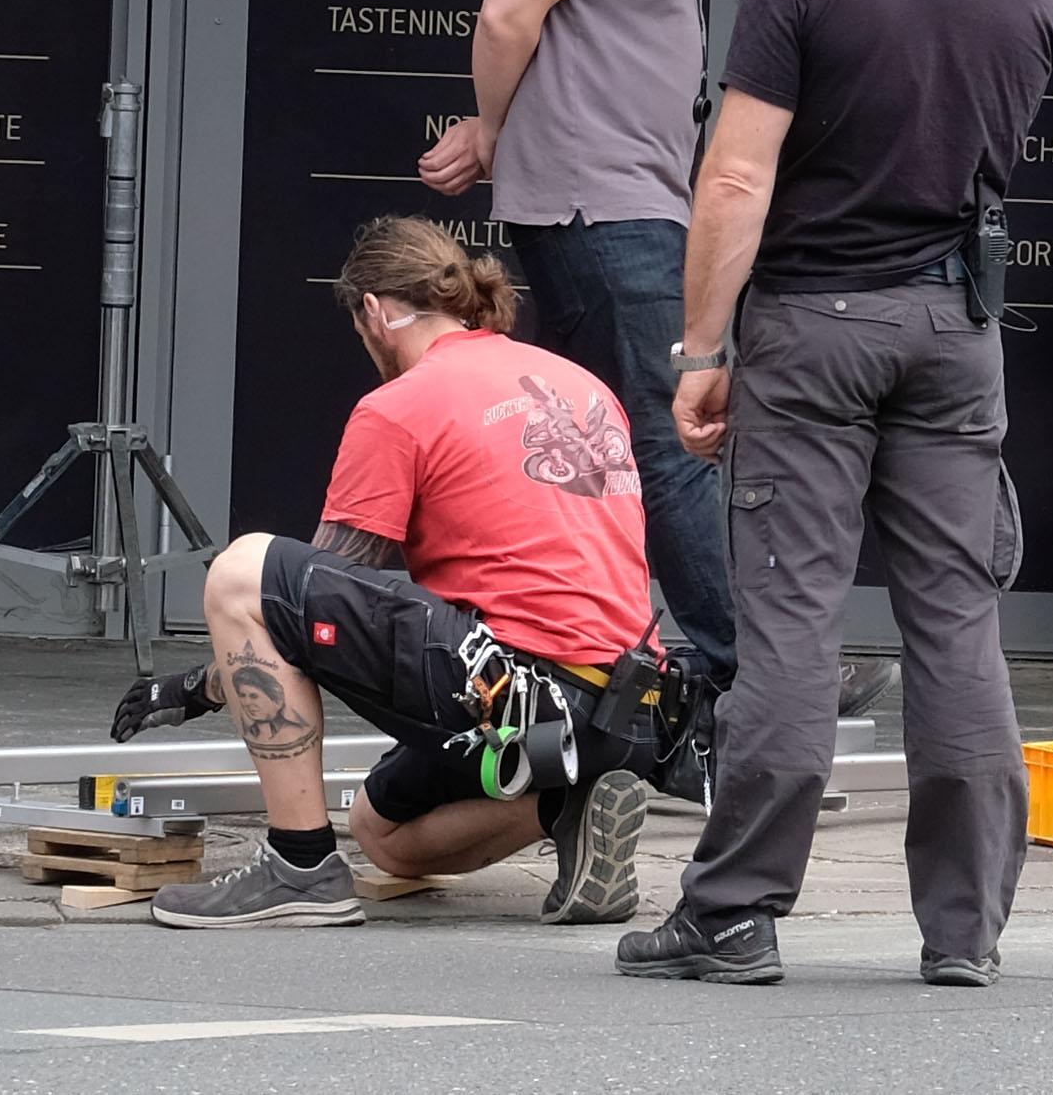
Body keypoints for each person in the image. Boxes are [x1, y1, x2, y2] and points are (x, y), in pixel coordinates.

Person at [617, 0, 1053, 989]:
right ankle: (965, 932)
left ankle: (736, 913)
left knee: (794, 624)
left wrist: (703, 349)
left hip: (813, 328)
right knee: (958, 626)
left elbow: (739, 176)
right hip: (955, 337)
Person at [418, 0, 890, 723]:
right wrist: (498, 130)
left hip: (623, 195)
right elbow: (506, 14)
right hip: (600, 203)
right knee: (668, 441)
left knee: (620, 447)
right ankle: (753, 678)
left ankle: (647, 668)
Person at [116, 218, 666, 929]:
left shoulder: (400, 406)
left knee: (243, 572)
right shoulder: (576, 382)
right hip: (628, 711)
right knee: (385, 833)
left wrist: (196, 686)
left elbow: (290, 617)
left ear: (373, 312)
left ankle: (300, 865)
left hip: (519, 690)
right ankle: (569, 804)